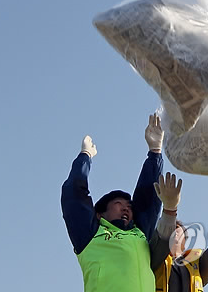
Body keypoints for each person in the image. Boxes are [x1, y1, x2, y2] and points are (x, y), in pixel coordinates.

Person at [61, 114, 178, 292]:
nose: (126, 208)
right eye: (118, 203)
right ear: (99, 214)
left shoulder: (139, 234)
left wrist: (155, 151)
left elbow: (148, 200)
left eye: (129, 207)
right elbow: (74, 195)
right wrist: (85, 157)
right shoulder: (90, 234)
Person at [155, 183, 208, 292]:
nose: (172, 232)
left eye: (176, 229)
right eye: (168, 228)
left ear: (184, 241)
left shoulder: (196, 264)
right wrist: (169, 209)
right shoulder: (152, 259)